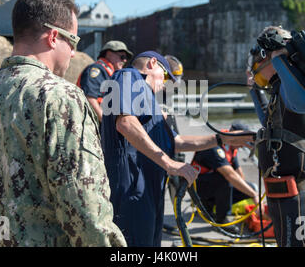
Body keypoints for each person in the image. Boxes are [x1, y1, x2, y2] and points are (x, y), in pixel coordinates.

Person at [0, 0, 126, 247]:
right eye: (73, 42)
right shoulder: (62, 98)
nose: (74, 53)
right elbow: (86, 207)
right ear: (54, 36)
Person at [100, 51, 255, 246]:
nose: (165, 84)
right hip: (132, 189)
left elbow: (177, 141)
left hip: (151, 191)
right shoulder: (128, 76)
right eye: (165, 76)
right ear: (152, 63)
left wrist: (222, 139)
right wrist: (170, 163)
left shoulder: (151, 105)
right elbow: (124, 122)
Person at [247, 26, 305, 247]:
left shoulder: (303, 83)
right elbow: (272, 125)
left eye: (259, 64)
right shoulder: (282, 89)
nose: (257, 72)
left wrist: (281, 56)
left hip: (298, 198)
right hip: (282, 199)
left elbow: (303, 103)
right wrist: (255, 91)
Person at [192, 122, 261, 232]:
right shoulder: (214, 146)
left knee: (251, 187)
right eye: (243, 140)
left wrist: (252, 192)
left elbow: (238, 173)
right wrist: (255, 195)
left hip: (212, 182)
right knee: (225, 179)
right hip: (198, 186)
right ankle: (220, 220)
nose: (243, 145)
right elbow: (229, 174)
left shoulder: (232, 147)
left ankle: (212, 205)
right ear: (234, 135)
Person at [77, 40, 133, 122]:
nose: (124, 60)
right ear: (109, 54)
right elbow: (90, 98)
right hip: (90, 123)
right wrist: (106, 124)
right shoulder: (97, 70)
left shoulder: (110, 73)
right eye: (122, 57)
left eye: (126, 58)